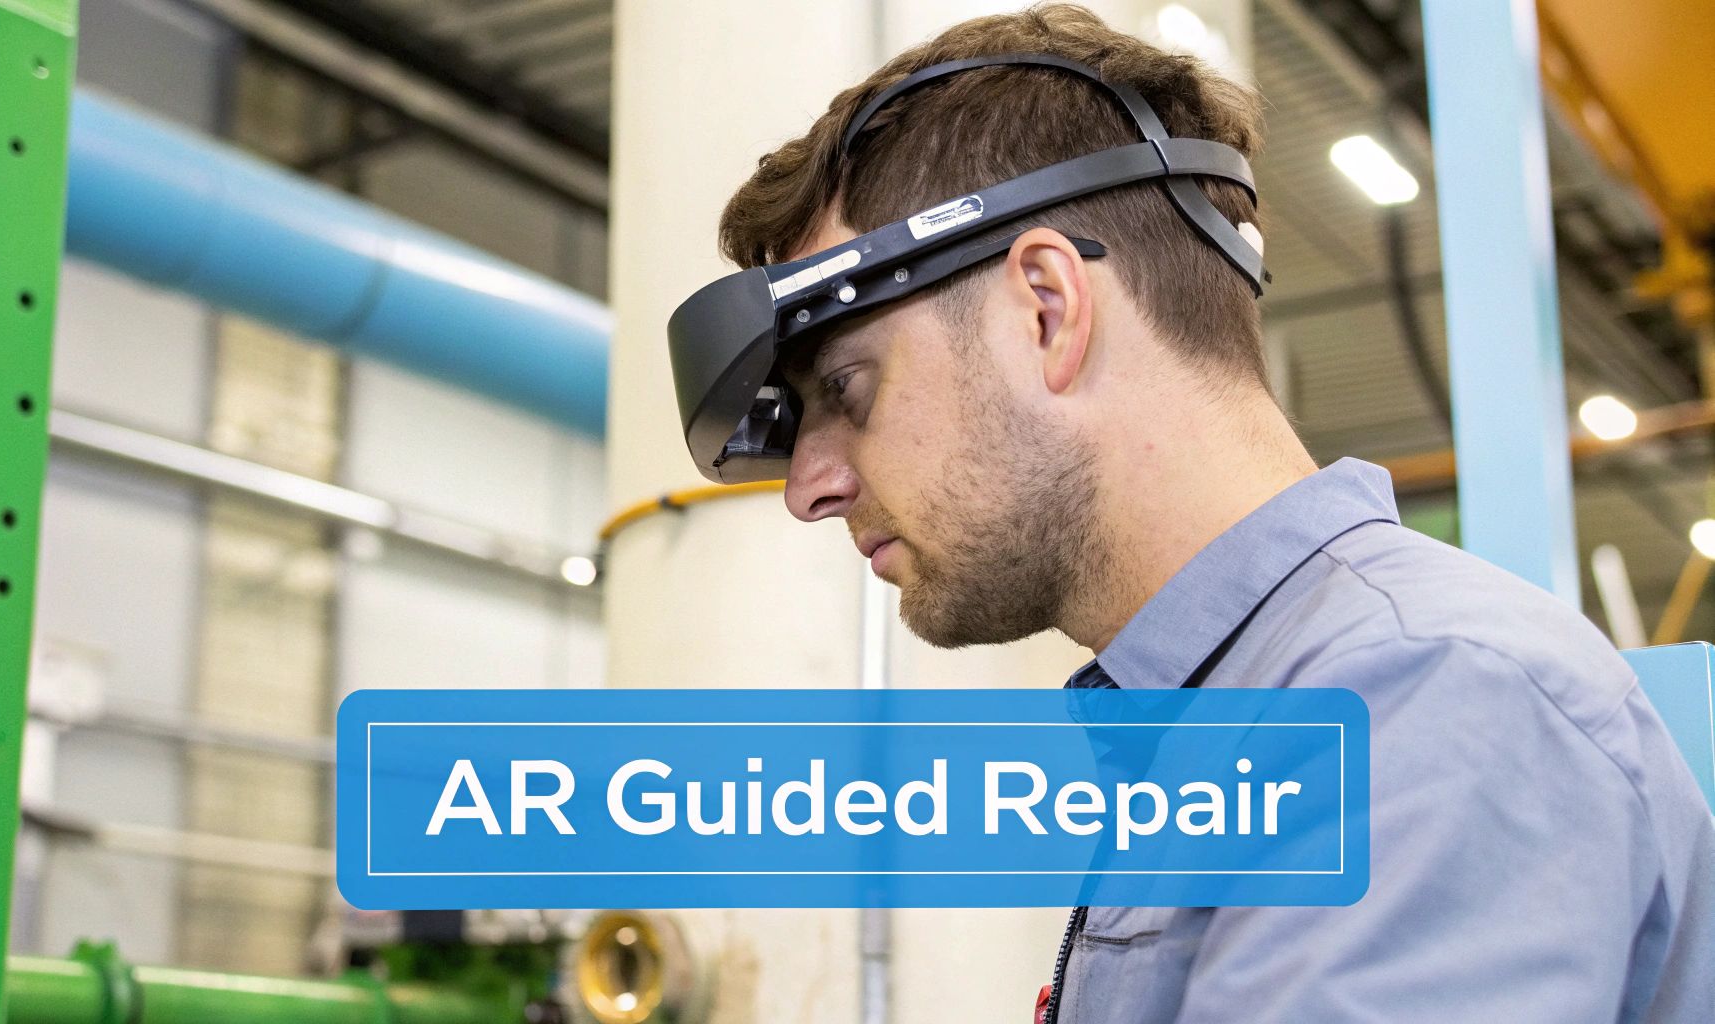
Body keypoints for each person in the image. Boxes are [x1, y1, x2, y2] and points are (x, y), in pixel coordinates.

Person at [703, 4, 1715, 1022]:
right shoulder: (1241, 714)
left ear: (1046, 310)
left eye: (845, 389)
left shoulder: (1418, 704)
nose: (807, 487)